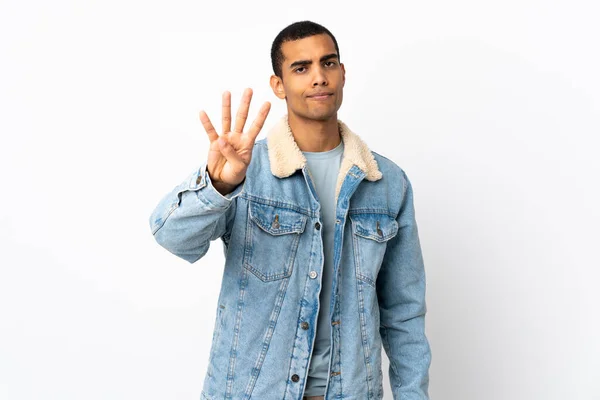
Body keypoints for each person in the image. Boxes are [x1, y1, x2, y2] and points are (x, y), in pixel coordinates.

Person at [149, 20, 431, 400]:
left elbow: (404, 315)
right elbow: (173, 237)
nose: (318, 78)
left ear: (343, 73)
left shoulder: (386, 183)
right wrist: (220, 186)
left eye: (328, 64)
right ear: (278, 84)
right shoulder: (249, 170)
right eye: (301, 68)